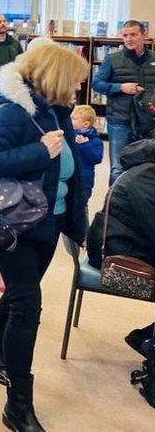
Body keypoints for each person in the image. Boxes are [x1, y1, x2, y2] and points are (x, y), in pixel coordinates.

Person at [0, 44, 89, 431]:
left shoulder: (57, 111)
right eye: (73, 82)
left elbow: (68, 166)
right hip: (17, 224)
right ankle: (17, 405)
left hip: (49, 221)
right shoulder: (12, 111)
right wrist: (38, 151)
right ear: (55, 78)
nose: (78, 90)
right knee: (28, 307)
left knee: (21, 293)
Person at [84, 139, 155, 360]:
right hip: (114, 252)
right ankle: (148, 342)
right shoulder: (146, 179)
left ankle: (147, 338)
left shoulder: (146, 169)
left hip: (122, 241)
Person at [90, 19, 155, 184]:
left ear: (144, 35)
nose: (129, 39)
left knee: (145, 169)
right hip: (120, 122)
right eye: (125, 35)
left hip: (147, 123)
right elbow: (96, 84)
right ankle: (112, 207)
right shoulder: (112, 59)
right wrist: (120, 87)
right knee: (118, 169)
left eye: (133, 34)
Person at [70, 104, 104, 204]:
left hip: (84, 182)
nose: (70, 120)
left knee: (81, 205)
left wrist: (85, 145)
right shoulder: (70, 134)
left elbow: (97, 158)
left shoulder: (95, 140)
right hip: (71, 178)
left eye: (73, 118)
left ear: (85, 124)